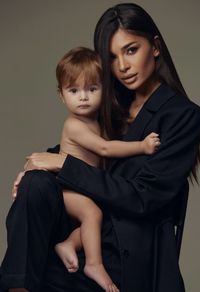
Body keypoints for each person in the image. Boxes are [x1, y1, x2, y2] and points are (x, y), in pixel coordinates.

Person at [0, 3, 200, 292]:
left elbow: (143, 198)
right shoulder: (110, 100)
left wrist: (61, 164)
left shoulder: (182, 115)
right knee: (35, 184)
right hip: (79, 235)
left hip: (124, 250)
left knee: (42, 270)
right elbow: (84, 144)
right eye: (112, 57)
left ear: (155, 47)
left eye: (131, 50)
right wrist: (38, 163)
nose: (122, 66)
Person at [54, 46, 160, 292]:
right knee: (93, 214)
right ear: (61, 95)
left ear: (104, 89)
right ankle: (94, 264)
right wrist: (142, 146)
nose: (83, 97)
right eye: (74, 91)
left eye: (92, 89)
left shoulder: (97, 122)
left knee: (97, 217)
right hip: (68, 188)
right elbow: (104, 149)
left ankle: (69, 244)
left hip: (83, 188)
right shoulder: (74, 125)